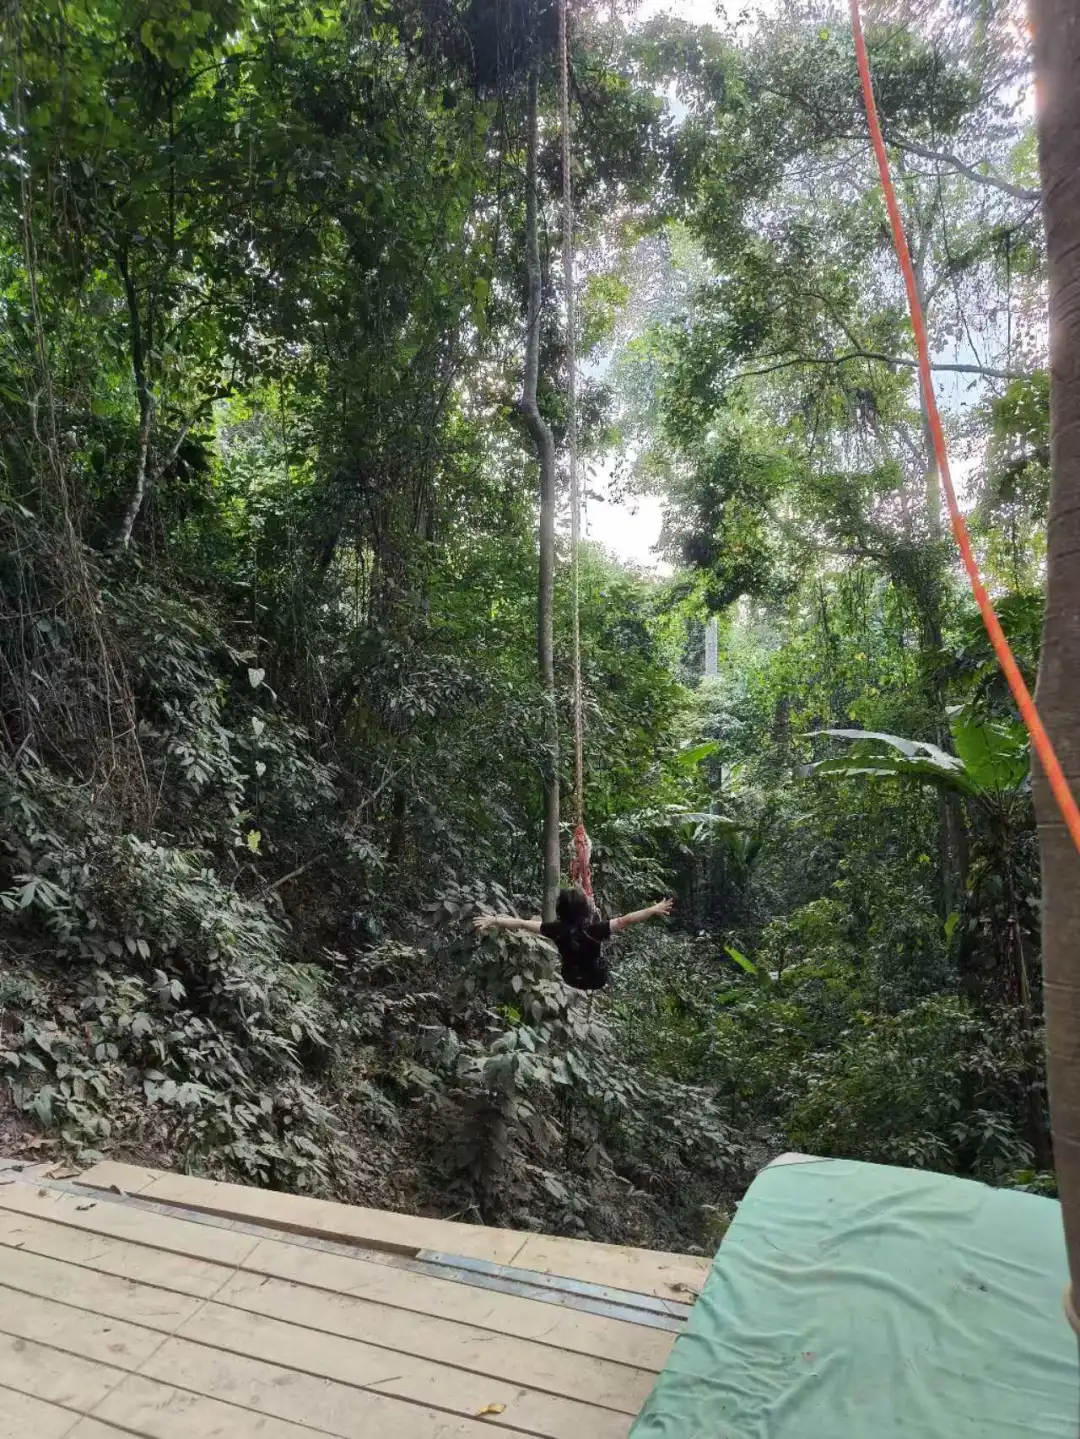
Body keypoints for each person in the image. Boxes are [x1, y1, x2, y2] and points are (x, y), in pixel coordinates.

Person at [474, 888, 674, 991]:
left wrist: (495, 919)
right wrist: (653, 909)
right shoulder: (596, 930)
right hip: (596, 980)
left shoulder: (555, 929)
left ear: (561, 909)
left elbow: (523, 924)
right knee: (599, 959)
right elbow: (625, 920)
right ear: (585, 910)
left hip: (570, 979)